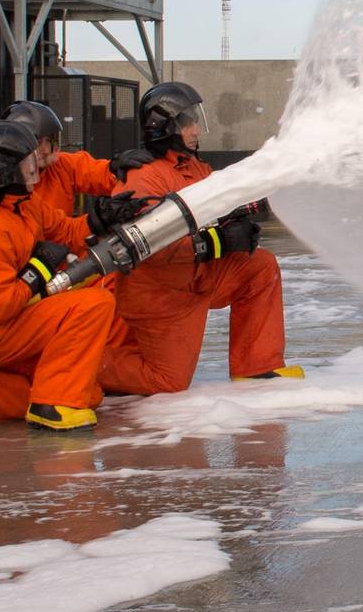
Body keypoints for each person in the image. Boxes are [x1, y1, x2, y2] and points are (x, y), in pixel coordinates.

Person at [0, 118, 131, 432]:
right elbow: (0, 307)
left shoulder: (23, 204)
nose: (36, 167)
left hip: (21, 317)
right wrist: (39, 267)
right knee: (92, 304)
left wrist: (101, 219)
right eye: (28, 161)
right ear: (3, 169)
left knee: (91, 394)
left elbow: (66, 230)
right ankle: (53, 406)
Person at [111, 80, 290, 389]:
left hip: (197, 277)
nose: (196, 130)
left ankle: (256, 365)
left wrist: (241, 219)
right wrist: (215, 244)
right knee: (168, 381)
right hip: (161, 292)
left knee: (260, 267)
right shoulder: (143, 178)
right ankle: (80, 365)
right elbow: (150, 247)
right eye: (189, 123)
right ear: (164, 126)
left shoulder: (194, 168)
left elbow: (215, 210)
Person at [2, 99, 148, 235]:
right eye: (39, 143)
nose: (47, 149)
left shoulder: (61, 165)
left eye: (50, 140)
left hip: (58, 254)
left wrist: (114, 169)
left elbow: (95, 173)